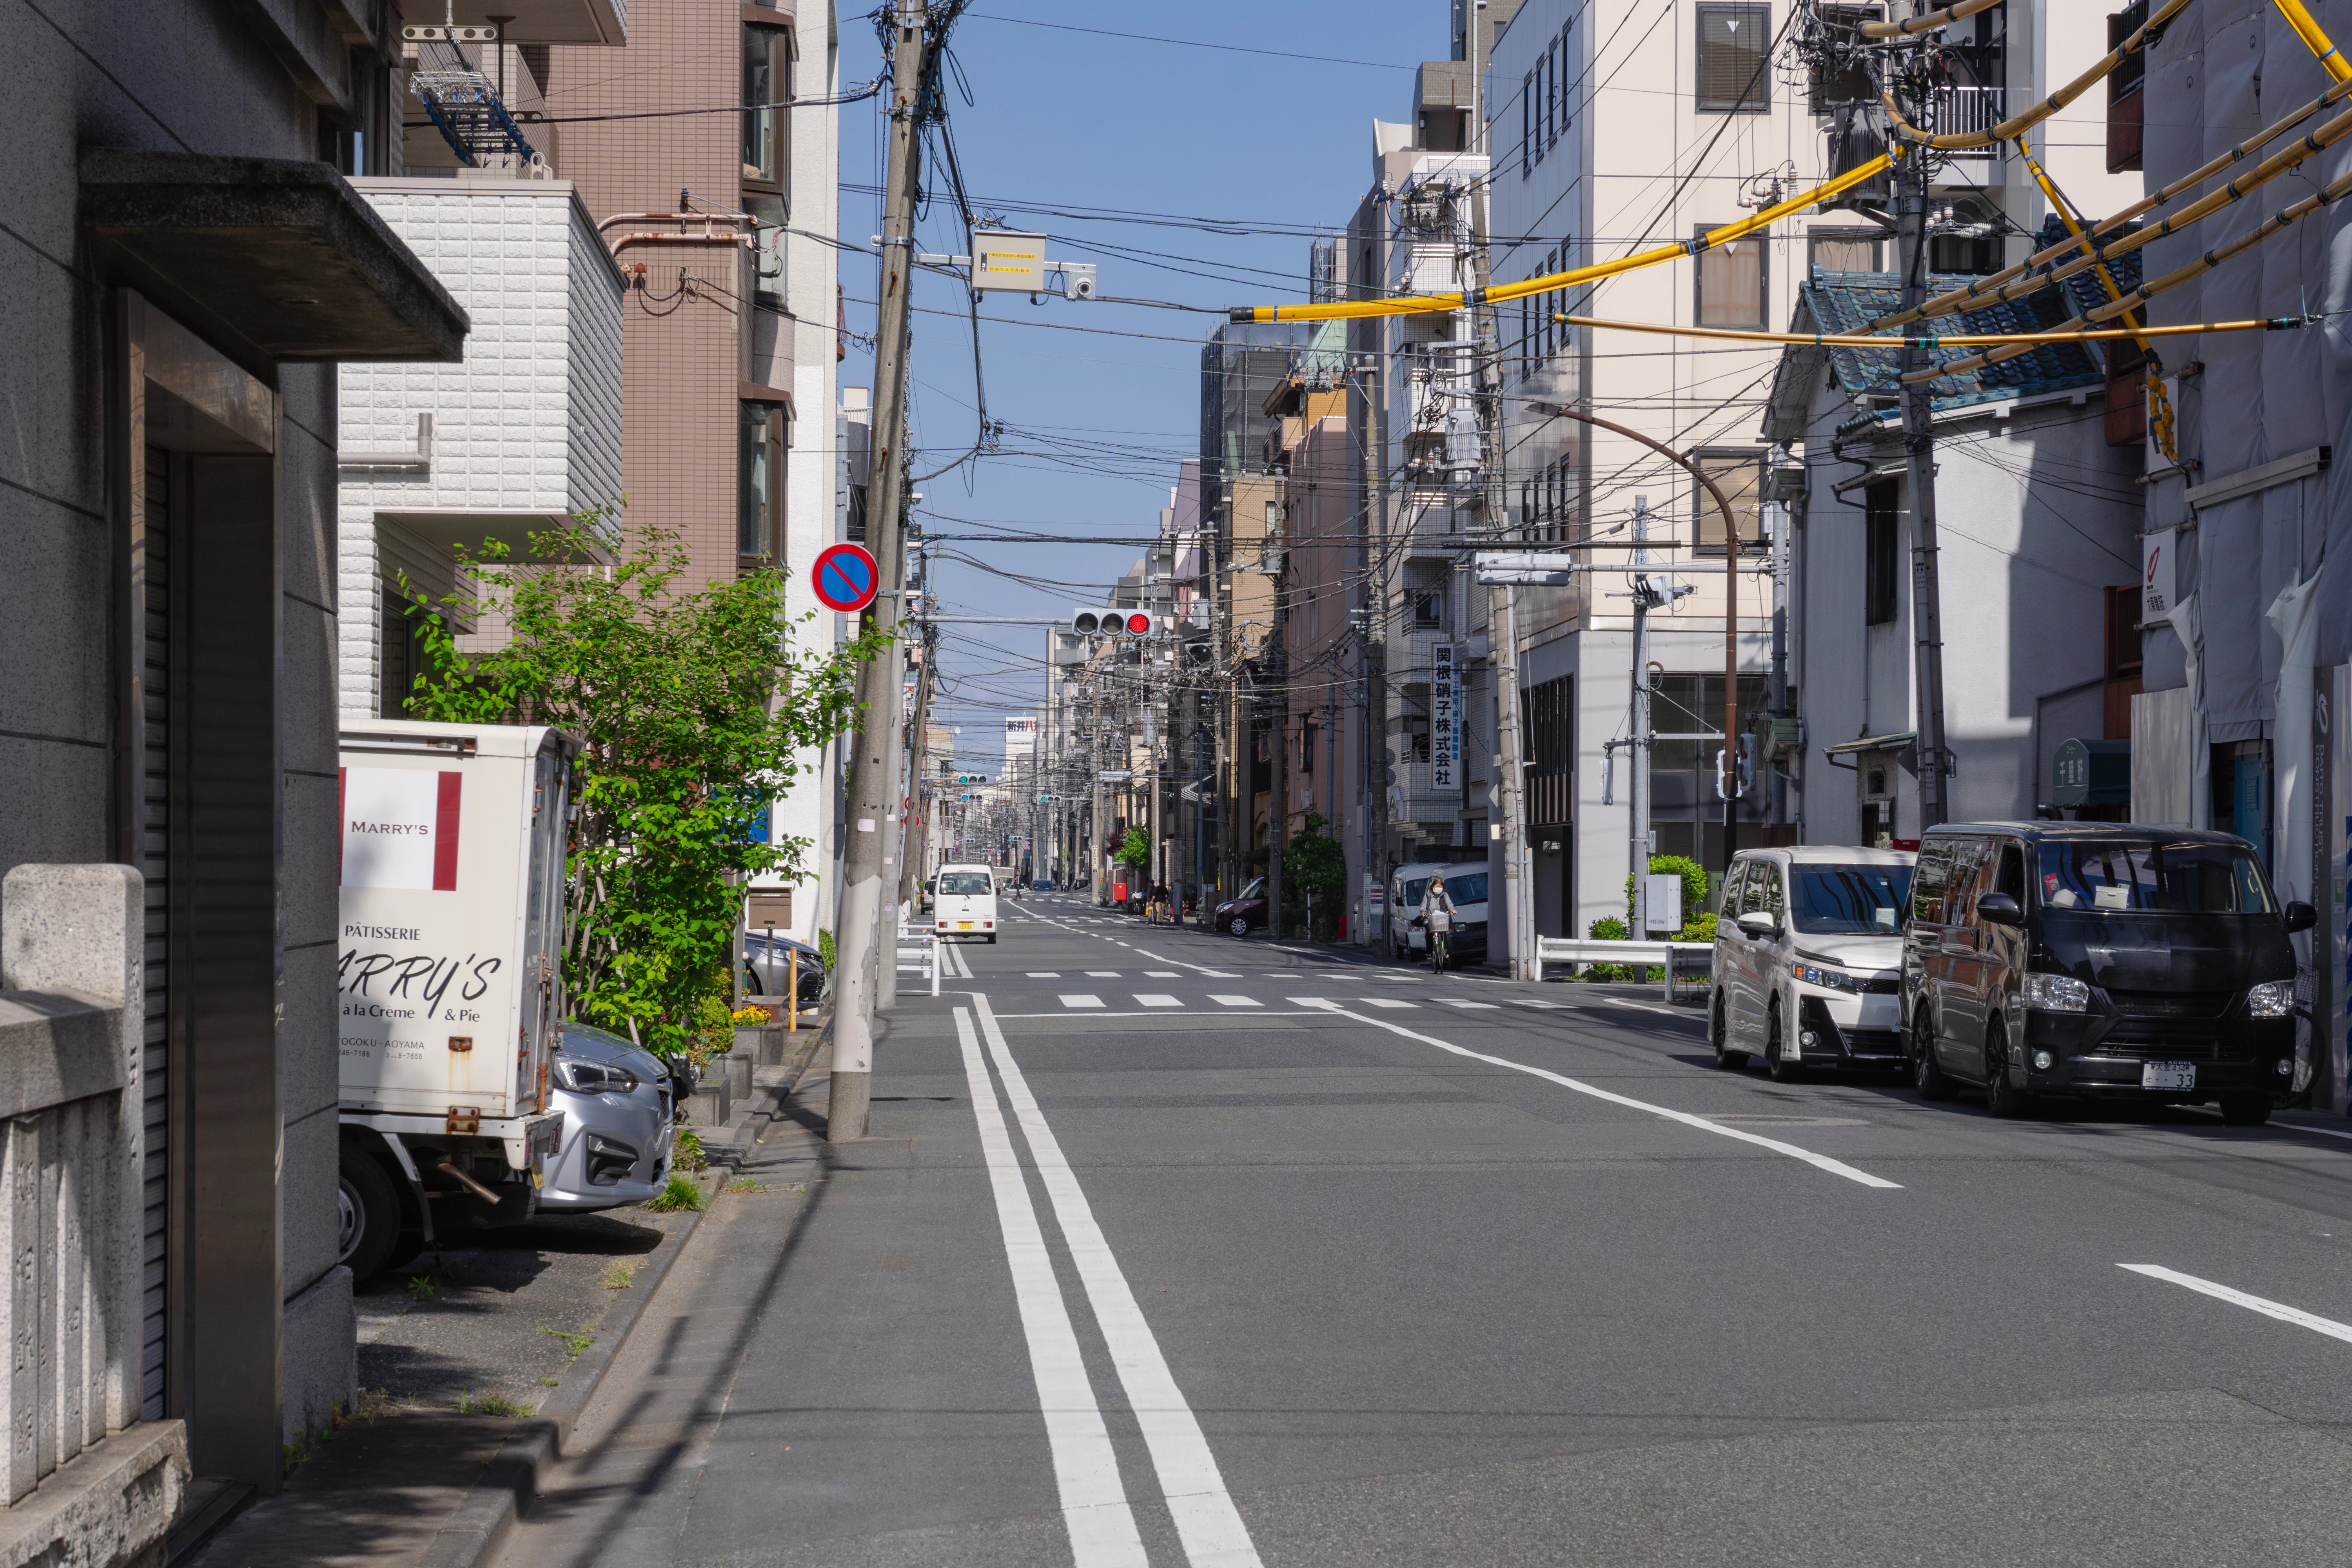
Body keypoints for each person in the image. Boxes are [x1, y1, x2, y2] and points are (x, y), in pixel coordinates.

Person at [1419, 874, 1457, 971]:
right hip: (1431, 918)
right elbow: (1423, 906)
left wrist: (1452, 910)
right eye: (1437, 887)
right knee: (1429, 931)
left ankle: (1444, 951)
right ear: (1432, 888)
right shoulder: (1428, 896)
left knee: (1444, 931)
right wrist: (1423, 912)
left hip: (1442, 918)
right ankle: (1429, 953)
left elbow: (1449, 904)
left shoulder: (1445, 895)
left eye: (1440, 887)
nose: (1438, 889)